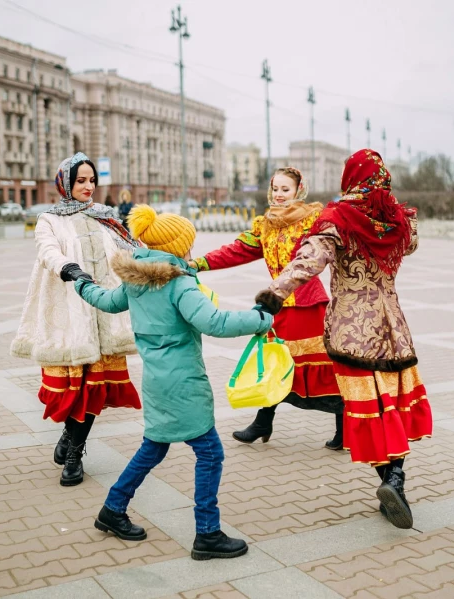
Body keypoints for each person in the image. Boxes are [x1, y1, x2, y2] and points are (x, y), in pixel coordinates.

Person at [75, 204, 272, 560]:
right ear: (178, 247)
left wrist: (80, 282)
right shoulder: (179, 283)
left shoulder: (135, 281)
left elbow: (104, 300)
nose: (191, 250)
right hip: (183, 383)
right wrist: (260, 319)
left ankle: (112, 509)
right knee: (210, 453)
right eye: (188, 244)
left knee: (154, 447)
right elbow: (215, 323)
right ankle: (207, 534)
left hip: (156, 382)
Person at [254, 149, 432, 530]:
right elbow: (410, 244)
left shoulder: (337, 219)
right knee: (391, 405)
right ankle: (396, 479)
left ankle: (391, 480)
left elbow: (309, 261)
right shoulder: (398, 220)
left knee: (369, 408)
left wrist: (273, 294)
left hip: (352, 329)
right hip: (393, 328)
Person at [10, 152, 142, 486]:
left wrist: (166, 254)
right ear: (65, 183)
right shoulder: (50, 219)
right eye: (80, 180)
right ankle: (69, 437)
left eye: (91, 180)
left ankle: (74, 451)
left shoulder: (106, 218)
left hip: (105, 313)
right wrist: (68, 268)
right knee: (75, 387)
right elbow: (47, 250)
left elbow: (132, 249)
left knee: (95, 389)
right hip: (73, 315)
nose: (88, 186)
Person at [190, 167, 343, 449]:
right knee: (273, 363)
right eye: (275, 189)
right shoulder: (266, 224)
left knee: (316, 366)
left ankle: (344, 424)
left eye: (286, 189)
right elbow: (236, 250)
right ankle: (263, 422)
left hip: (308, 305)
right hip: (277, 305)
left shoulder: (313, 220)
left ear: (299, 190)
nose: (279, 195)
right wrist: (198, 263)